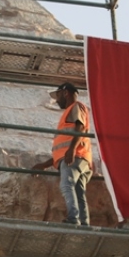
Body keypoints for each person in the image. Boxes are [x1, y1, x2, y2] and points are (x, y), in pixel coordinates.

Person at [33, 82, 93, 225]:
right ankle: (83, 222)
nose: (56, 99)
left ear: (65, 93)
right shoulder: (71, 112)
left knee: (66, 185)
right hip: (81, 158)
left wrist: (72, 150)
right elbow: (61, 149)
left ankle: (73, 219)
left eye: (58, 95)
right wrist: (44, 165)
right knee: (78, 191)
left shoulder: (75, 107)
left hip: (75, 157)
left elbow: (80, 128)